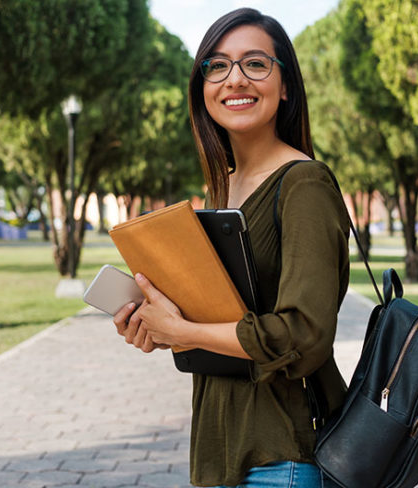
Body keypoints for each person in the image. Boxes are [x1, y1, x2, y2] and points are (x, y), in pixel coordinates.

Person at [112, 8, 350, 488]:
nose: (234, 79)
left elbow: (304, 337)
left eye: (255, 64)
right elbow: (219, 321)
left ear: (285, 86)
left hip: (282, 455)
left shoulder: (304, 184)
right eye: (217, 66)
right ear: (203, 88)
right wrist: (161, 327)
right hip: (219, 449)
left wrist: (188, 330)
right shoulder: (221, 189)